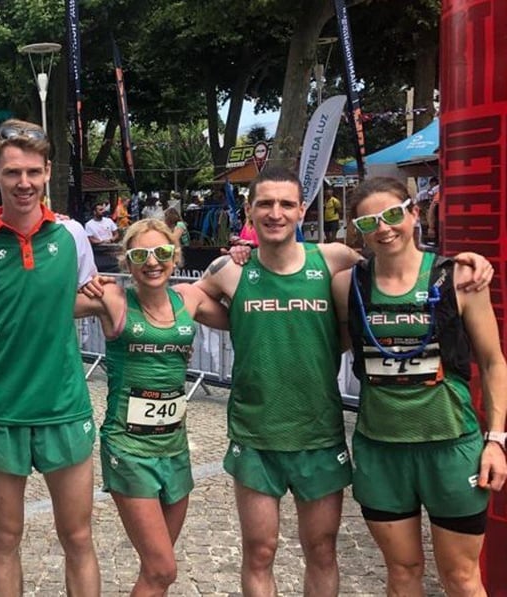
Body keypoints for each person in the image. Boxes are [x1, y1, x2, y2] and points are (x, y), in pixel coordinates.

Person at [195, 167, 491, 596]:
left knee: (323, 549)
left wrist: (464, 259)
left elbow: (398, 260)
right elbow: (186, 299)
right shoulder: (229, 269)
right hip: (258, 434)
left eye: (285, 204)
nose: (275, 213)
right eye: (264, 203)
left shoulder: (333, 259)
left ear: (302, 209)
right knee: (260, 551)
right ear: (249, 210)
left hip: (325, 432)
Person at [0, 118, 102, 595]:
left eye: (33, 171)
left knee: (77, 537)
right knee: (5, 538)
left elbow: (85, 297)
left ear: (48, 171)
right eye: (13, 172)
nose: (24, 182)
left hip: (63, 407)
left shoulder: (72, 236)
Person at [331, 177, 506, 596]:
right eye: (370, 221)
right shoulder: (346, 285)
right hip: (382, 450)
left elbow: (494, 361)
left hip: (451, 447)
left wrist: (497, 440)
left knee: (462, 579)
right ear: (358, 229)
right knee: (403, 571)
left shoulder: (459, 277)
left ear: (413, 212)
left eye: (393, 214)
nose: (384, 228)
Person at [76, 218, 228, 594]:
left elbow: (247, 316)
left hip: (175, 448)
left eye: (161, 253)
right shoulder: (113, 300)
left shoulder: (188, 299)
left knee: (155, 570)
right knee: (163, 568)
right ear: (126, 263)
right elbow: (42, 305)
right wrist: (77, 276)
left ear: (175, 257)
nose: (152, 262)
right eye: (139, 255)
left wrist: (237, 259)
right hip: (129, 448)